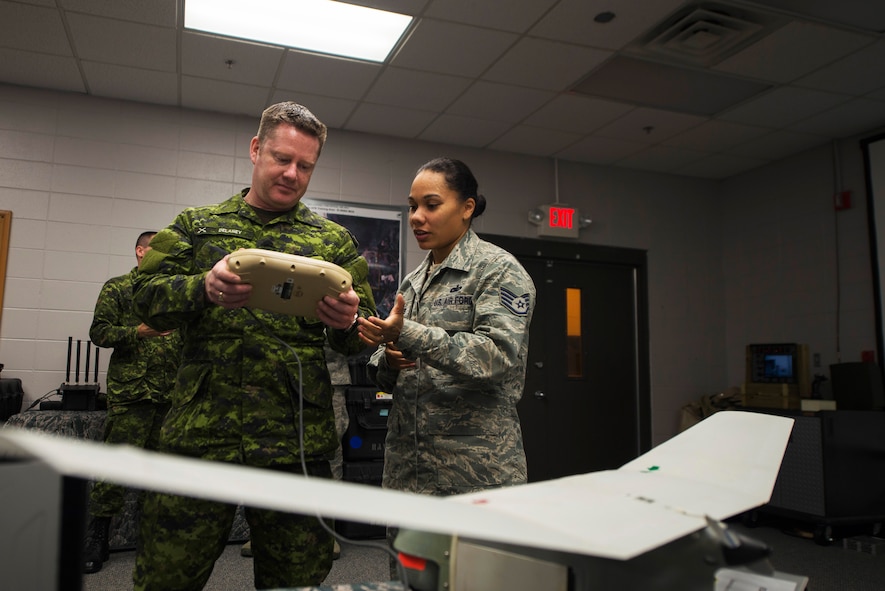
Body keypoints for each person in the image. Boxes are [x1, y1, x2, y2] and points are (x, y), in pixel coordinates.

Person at [130, 101, 376, 591]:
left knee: (296, 581)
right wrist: (202, 287)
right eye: (281, 158)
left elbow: (361, 335)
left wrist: (348, 321)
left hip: (293, 446)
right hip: (199, 438)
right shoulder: (197, 225)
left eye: (305, 165)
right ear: (255, 149)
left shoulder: (333, 242)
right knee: (165, 576)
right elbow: (140, 298)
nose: (292, 173)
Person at [358, 156, 535, 497]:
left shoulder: (497, 270)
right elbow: (385, 373)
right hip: (407, 471)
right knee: (404, 553)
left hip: (472, 475)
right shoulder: (412, 283)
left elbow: (495, 357)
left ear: (467, 208)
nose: (416, 217)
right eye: (412, 207)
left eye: (431, 205)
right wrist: (388, 359)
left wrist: (407, 333)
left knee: (467, 554)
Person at [83, 231, 182, 574]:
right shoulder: (118, 288)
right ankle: (97, 538)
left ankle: (152, 539)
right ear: (141, 252)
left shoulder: (173, 293)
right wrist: (136, 333)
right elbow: (99, 332)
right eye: (156, 252)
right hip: (132, 394)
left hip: (169, 396)